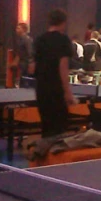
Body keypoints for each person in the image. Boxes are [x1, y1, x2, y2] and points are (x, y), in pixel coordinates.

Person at [33, 9, 77, 137]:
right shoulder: (63, 40)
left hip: (41, 88)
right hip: (56, 88)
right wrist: (68, 92)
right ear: (63, 22)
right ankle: (56, 155)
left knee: (46, 127)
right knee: (59, 128)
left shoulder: (39, 40)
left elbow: (35, 66)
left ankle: (44, 155)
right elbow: (63, 67)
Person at [10, 22, 33, 87]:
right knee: (22, 82)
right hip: (22, 64)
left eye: (18, 28)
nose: (16, 29)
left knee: (25, 83)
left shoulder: (27, 40)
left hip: (26, 65)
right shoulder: (20, 40)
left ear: (24, 29)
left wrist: (30, 64)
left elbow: (30, 52)